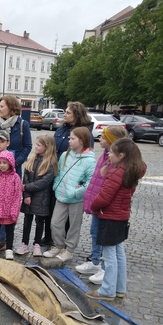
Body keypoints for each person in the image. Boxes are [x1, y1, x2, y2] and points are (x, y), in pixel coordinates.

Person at [86, 139, 146, 301]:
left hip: (110, 217)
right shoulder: (130, 171)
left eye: (112, 152)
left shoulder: (117, 172)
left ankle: (107, 290)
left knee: (110, 255)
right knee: (119, 253)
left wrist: (93, 205)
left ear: (121, 155)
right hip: (121, 216)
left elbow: (105, 197)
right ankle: (120, 287)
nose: (109, 155)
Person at [75, 126, 128, 284]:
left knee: (107, 241)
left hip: (106, 207)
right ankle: (95, 261)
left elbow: (109, 186)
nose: (100, 140)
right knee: (95, 233)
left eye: (104, 138)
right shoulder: (105, 156)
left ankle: (104, 269)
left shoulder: (115, 161)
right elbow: (97, 179)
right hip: (99, 203)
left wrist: (98, 202)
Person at [43, 127, 96, 263]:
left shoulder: (90, 161)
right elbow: (59, 172)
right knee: (55, 223)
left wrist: (76, 192)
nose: (69, 141)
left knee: (73, 225)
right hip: (61, 195)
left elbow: (90, 182)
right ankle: (59, 245)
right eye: (69, 138)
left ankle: (69, 250)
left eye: (72, 138)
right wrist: (56, 186)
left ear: (82, 141)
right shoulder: (65, 155)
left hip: (76, 199)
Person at [14, 134, 58, 257]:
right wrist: (26, 194)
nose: (36, 147)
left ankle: (37, 244)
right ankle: (24, 243)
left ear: (46, 147)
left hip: (42, 199)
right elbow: (26, 177)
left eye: (39, 145)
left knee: (40, 222)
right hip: (29, 197)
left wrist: (27, 188)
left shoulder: (50, 163)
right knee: (27, 221)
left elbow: (44, 182)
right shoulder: (31, 159)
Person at [0, 95, 32, 177]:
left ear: (11, 107)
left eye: (2, 106)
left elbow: (28, 147)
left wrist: (15, 162)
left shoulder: (22, 125)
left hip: (14, 170)